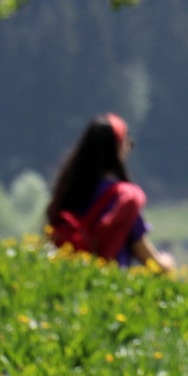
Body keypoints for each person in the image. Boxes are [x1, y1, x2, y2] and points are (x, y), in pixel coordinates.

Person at [45, 113, 174, 270]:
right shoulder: (124, 199)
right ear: (118, 149)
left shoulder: (68, 191)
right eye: (128, 143)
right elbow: (151, 261)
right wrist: (167, 263)